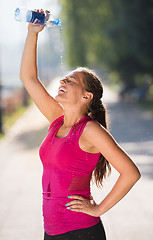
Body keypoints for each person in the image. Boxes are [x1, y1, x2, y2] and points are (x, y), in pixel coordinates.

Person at [20, 10, 141, 240]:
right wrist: (32, 33)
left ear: (86, 97)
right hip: (51, 231)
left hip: (80, 232)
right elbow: (28, 78)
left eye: (71, 80)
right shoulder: (57, 121)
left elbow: (130, 173)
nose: (63, 80)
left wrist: (98, 209)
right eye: (65, 77)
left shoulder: (90, 130)